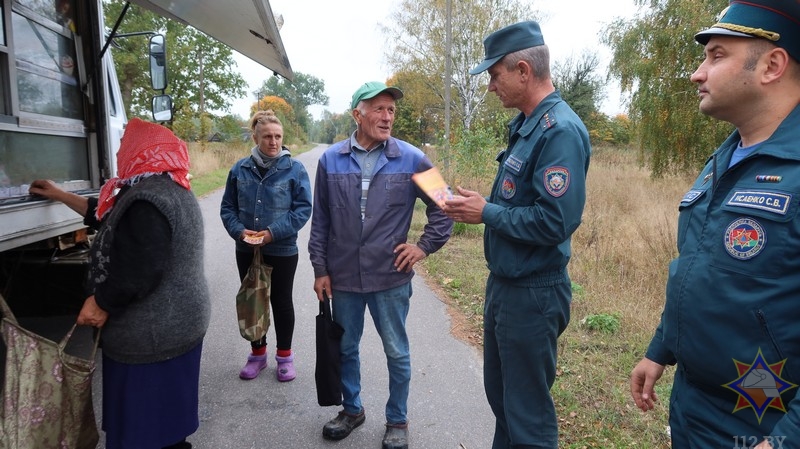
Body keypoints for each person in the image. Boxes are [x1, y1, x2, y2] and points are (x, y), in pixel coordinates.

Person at [630, 2, 800, 448]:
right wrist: (660, 349)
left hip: (762, 419)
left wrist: (787, 438)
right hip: (693, 404)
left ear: (772, 65)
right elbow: (696, 266)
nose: (697, 73)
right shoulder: (725, 158)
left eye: (717, 55)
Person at [443, 21, 591, 449]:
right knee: (504, 403)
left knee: (527, 416)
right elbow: (521, 201)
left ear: (524, 71)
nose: (491, 86)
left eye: (495, 74)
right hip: (507, 287)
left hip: (533, 293)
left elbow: (554, 222)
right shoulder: (529, 124)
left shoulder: (559, 131)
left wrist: (485, 212)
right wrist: (482, 204)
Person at [28, 117, 210, 449]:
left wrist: (101, 302)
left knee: (145, 431)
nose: (119, 151)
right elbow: (106, 214)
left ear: (141, 151)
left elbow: (139, 268)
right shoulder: (163, 187)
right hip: (176, 327)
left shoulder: (148, 199)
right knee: (166, 424)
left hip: (153, 336)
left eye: (125, 145)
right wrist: (60, 194)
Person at [308, 81, 453, 449]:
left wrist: (423, 247)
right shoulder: (330, 160)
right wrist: (320, 268)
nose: (387, 116)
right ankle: (352, 410)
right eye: (378, 109)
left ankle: (397, 421)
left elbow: (445, 205)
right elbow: (321, 218)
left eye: (391, 110)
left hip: (390, 276)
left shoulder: (414, 158)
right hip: (342, 277)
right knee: (346, 348)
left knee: (397, 351)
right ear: (357, 113)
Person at [220, 110, 312, 381]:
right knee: (254, 300)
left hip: (282, 249)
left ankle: (285, 357)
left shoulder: (295, 170)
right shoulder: (240, 169)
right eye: (268, 137)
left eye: (278, 136)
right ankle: (257, 355)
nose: (273, 142)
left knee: (281, 302)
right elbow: (228, 208)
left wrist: (272, 233)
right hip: (247, 249)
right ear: (255, 137)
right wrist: (240, 232)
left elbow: (302, 210)